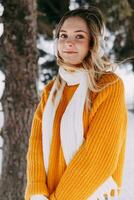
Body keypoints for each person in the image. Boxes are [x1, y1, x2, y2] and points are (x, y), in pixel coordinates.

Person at [25, 6, 128, 200]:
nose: (68, 43)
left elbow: (98, 158)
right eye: (63, 36)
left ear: (92, 43)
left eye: (79, 36)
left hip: (90, 194)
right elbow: (36, 145)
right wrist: (37, 192)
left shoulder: (108, 86)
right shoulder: (52, 90)